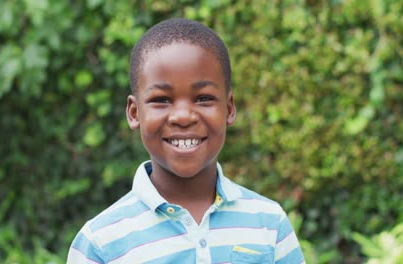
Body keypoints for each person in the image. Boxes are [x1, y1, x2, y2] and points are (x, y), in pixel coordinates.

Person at [67, 18, 305, 264]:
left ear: (229, 108)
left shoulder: (268, 223)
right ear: (134, 112)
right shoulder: (101, 242)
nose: (183, 116)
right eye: (162, 99)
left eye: (203, 98)